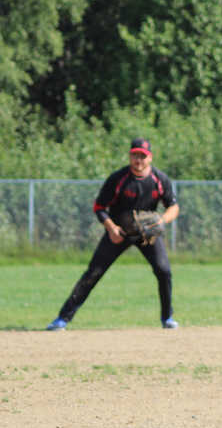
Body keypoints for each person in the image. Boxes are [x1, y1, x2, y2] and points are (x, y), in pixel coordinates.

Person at [47, 137, 180, 330]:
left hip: (146, 232)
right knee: (94, 273)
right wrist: (111, 227)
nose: (138, 160)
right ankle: (62, 319)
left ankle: (167, 318)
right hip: (119, 231)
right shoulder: (118, 179)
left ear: (150, 158)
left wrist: (161, 220)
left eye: (143, 156)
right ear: (130, 156)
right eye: (135, 155)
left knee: (164, 271)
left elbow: (173, 207)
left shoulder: (160, 179)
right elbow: (99, 206)